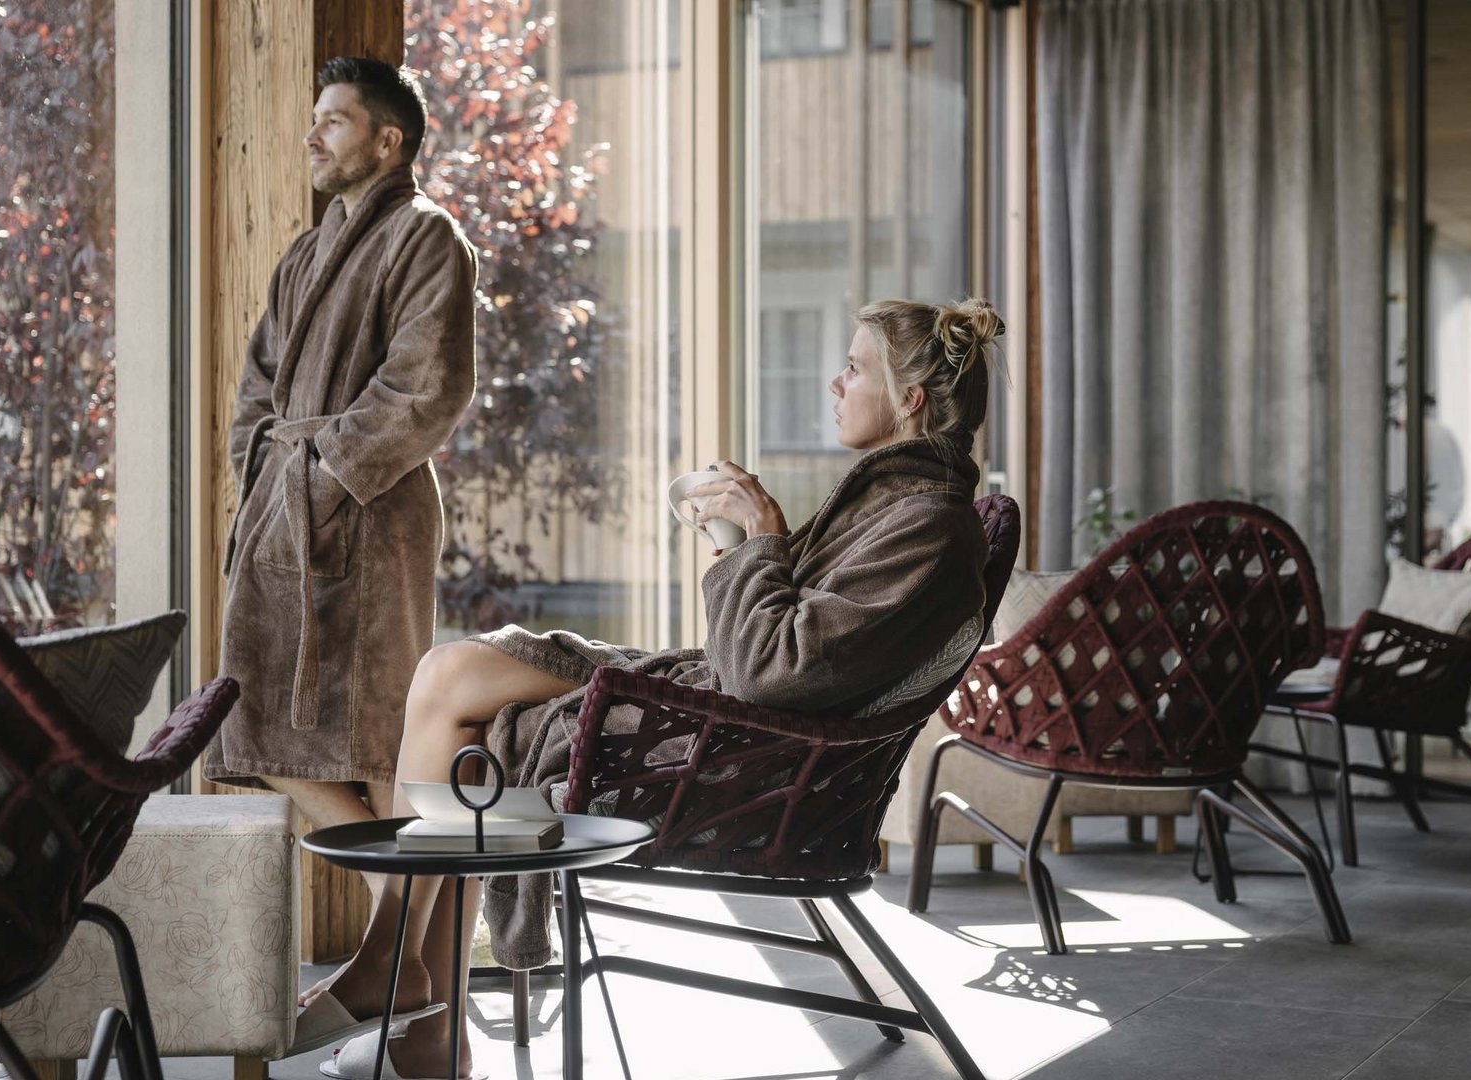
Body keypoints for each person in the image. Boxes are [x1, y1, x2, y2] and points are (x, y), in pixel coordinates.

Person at [314, 298, 1002, 1079]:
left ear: (910, 400)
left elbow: (771, 671)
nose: (834, 382)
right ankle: (406, 983)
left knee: (469, 745)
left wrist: (764, 535)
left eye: (854, 367)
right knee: (447, 674)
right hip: (724, 718)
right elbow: (775, 650)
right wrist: (741, 541)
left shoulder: (929, 530)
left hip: (738, 762)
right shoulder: (892, 508)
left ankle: (414, 1001)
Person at [204, 54, 477, 1047]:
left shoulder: (426, 238)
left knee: (377, 741)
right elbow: (256, 387)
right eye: (313, 119)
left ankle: (395, 975)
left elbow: (427, 389)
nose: (314, 135)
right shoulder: (305, 252)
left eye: (334, 120)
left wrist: (327, 474)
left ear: (387, 140)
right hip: (287, 513)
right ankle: (402, 962)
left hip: (370, 519)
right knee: (262, 727)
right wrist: (266, 471)